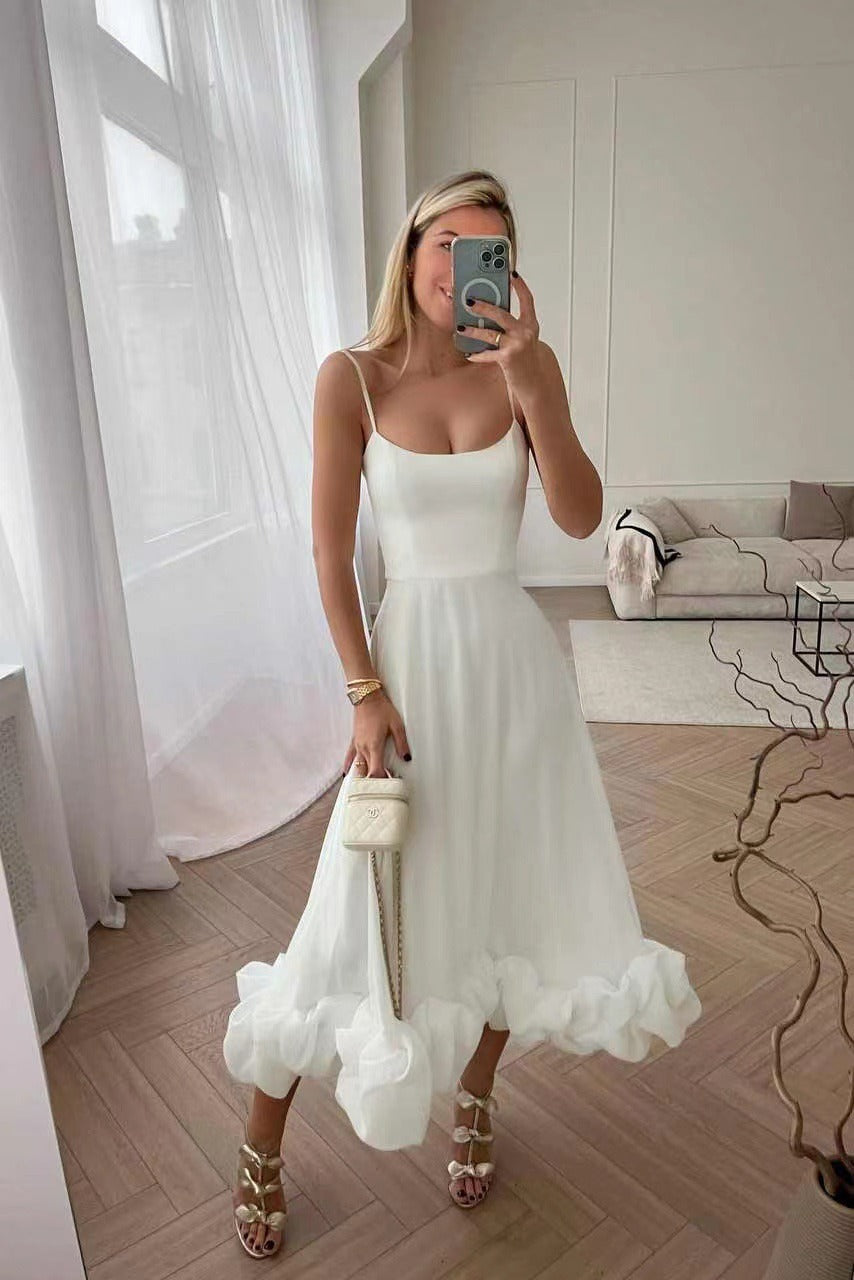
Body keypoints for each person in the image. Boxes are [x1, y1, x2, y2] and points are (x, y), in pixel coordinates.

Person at [223, 169, 702, 1259]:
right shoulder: (349, 377)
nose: (459, 266)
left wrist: (531, 381)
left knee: (505, 902)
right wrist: (362, 690)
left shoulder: (525, 367)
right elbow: (329, 552)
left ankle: (477, 1093)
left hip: (514, 676)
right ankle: (262, 1138)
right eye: (445, 242)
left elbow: (579, 517)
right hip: (409, 677)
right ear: (410, 253)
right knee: (349, 916)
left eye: (485, 248)